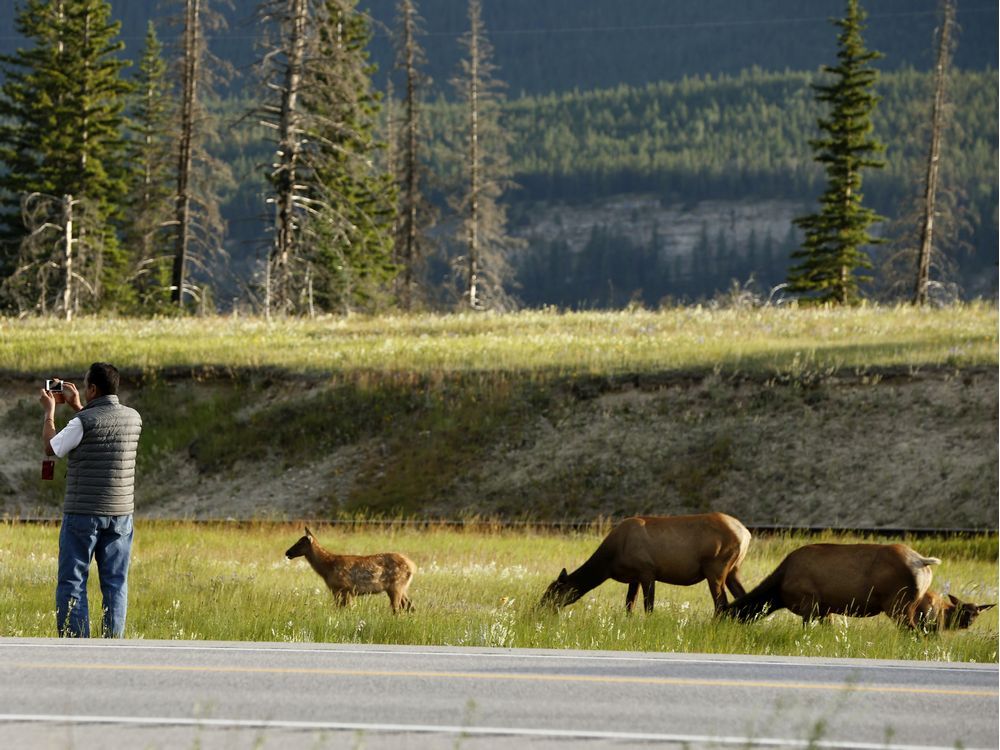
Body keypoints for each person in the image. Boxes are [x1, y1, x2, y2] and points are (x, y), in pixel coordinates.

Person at [40, 362, 142, 638]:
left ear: (93, 388)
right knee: (115, 582)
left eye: (85, 387)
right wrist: (77, 406)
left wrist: (50, 412)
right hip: (121, 514)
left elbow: (51, 447)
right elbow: (102, 429)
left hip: (83, 513)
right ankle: (113, 642)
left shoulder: (82, 421)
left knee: (73, 581)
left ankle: (76, 642)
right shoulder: (134, 417)